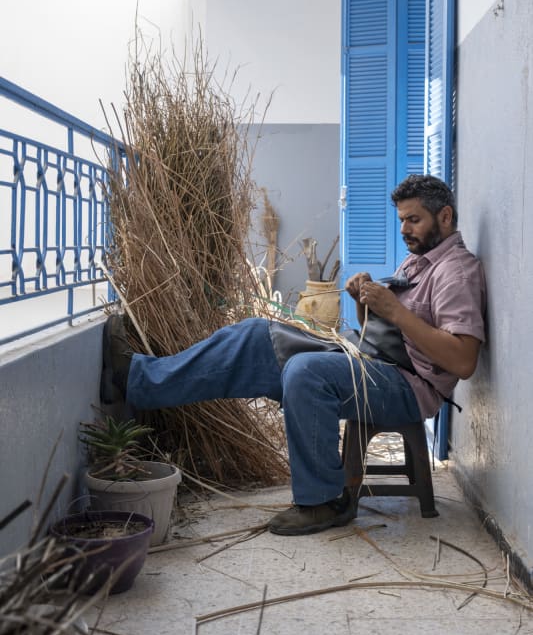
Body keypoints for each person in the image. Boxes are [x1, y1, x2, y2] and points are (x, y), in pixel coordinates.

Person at [101, 174, 486, 536]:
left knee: (307, 372)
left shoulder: (456, 272)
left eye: (413, 220)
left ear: (445, 216)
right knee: (255, 335)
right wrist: (363, 301)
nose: (404, 230)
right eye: (402, 220)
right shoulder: (421, 259)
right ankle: (137, 379)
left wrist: (395, 310)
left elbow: (463, 361)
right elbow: (384, 329)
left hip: (407, 386)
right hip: (372, 359)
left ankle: (325, 502)